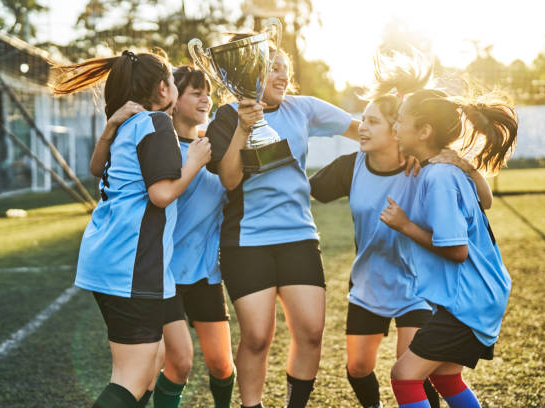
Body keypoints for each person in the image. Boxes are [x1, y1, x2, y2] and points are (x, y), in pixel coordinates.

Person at [309, 84, 493, 407]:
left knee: (412, 374)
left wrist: (463, 163)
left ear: (397, 131)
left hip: (417, 286)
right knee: (357, 368)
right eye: (362, 119)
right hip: (369, 283)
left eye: (372, 122)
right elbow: (303, 189)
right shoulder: (349, 167)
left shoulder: (423, 167)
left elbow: (483, 201)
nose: (361, 128)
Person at [205, 36, 361, 408]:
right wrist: (244, 128)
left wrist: (411, 148)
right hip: (247, 240)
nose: (282, 76)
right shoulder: (226, 116)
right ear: (249, 70)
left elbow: (361, 128)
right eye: (273, 67)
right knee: (257, 336)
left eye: (285, 70)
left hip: (298, 237)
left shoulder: (302, 109)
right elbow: (229, 180)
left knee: (310, 331)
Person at [51, 50, 211, 408]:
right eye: (172, 80)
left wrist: (109, 125)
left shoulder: (129, 124)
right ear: (162, 88)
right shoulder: (155, 123)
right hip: (130, 263)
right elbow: (161, 194)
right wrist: (196, 161)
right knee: (131, 378)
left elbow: (96, 169)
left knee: (152, 364)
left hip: (109, 257)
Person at [90, 65, 235, 408]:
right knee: (162, 366)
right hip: (158, 272)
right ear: (170, 94)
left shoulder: (213, 149)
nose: (204, 98)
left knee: (215, 364)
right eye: (194, 91)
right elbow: (161, 193)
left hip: (200, 273)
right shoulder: (156, 137)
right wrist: (194, 163)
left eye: (208, 93)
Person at [380, 87, 517, 407]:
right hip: (478, 295)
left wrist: (405, 225)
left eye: (400, 121)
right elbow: (487, 201)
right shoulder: (447, 168)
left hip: (469, 300)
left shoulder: (439, 176)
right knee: (445, 377)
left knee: (404, 376)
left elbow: (457, 251)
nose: (395, 127)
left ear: (425, 131)